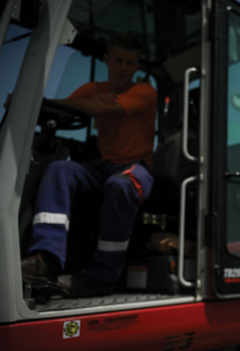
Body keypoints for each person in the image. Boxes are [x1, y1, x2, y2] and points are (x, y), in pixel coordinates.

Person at [20, 32, 157, 297]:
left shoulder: (144, 91)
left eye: (130, 63)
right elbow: (63, 109)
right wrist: (30, 104)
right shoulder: (95, 90)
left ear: (137, 67)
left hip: (135, 168)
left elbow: (100, 109)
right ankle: (46, 258)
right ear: (107, 60)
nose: (123, 67)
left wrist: (94, 106)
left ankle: (103, 277)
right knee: (60, 169)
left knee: (120, 186)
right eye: (118, 60)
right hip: (102, 167)